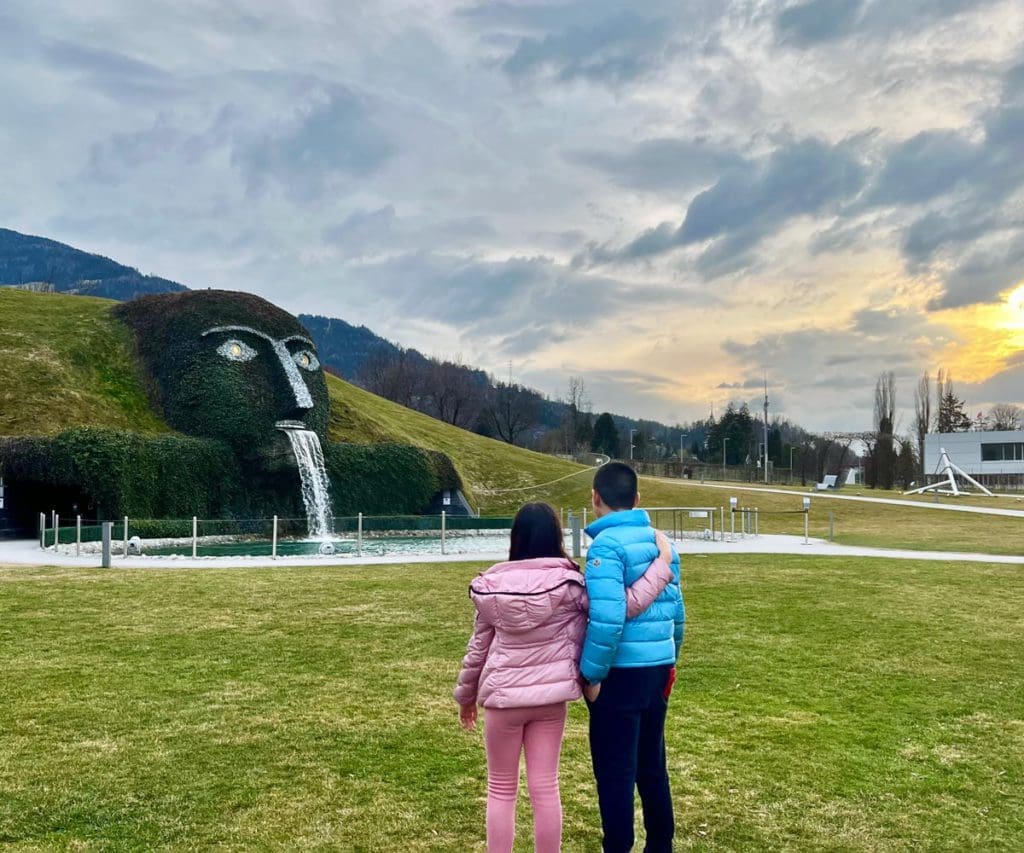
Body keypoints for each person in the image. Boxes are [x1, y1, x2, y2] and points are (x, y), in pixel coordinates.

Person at [455, 502, 674, 853]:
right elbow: (623, 607)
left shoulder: (490, 587)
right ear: (556, 537)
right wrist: (662, 566)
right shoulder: (571, 585)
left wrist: (466, 696)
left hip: (502, 701)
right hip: (550, 702)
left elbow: (477, 649)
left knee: (500, 788)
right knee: (545, 787)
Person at [579, 462, 684, 853]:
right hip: (658, 668)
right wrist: (670, 659)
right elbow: (677, 612)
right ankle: (661, 844)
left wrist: (591, 676)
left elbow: (606, 620)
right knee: (652, 766)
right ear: (638, 499)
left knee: (615, 773)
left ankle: (618, 847)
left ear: (595, 498)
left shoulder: (605, 548)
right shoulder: (663, 544)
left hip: (619, 674)